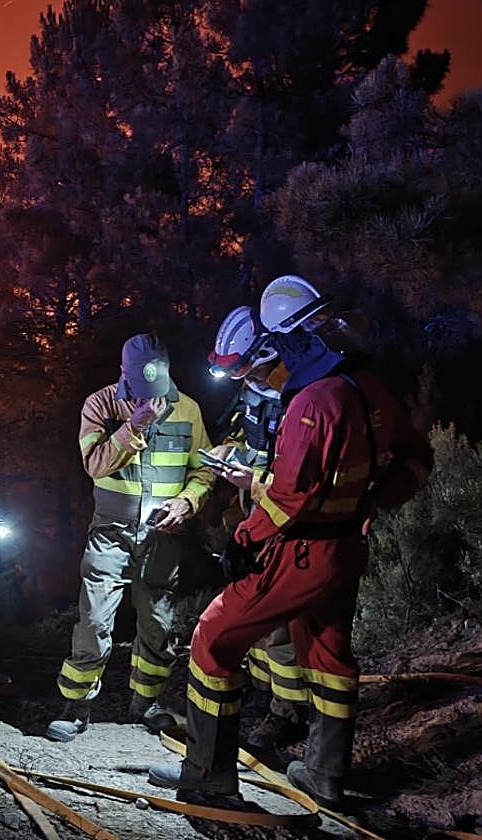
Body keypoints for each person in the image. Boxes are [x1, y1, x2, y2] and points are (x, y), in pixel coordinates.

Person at [148, 275, 434, 808]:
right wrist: (370, 503)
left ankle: (206, 776)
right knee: (329, 656)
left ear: (288, 339)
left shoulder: (311, 404)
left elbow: (288, 500)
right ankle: (325, 775)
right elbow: (416, 457)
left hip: (299, 553)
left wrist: (243, 537)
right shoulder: (367, 387)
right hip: (348, 548)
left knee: (213, 639)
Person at [46, 334, 215, 742]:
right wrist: (133, 425)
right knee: (95, 618)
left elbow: (204, 471)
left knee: (158, 621)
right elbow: (94, 463)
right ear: (124, 373)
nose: (152, 401)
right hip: (110, 532)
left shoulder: (188, 409)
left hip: (163, 536)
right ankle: (77, 705)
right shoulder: (100, 405)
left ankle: (146, 703)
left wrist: (186, 504)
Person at [206, 305, 309, 754]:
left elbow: (302, 481)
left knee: (281, 621)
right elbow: (248, 440)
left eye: (243, 367)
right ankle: (269, 698)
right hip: (257, 515)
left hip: (287, 521)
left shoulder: (299, 396)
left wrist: (256, 482)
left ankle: (289, 714)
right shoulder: (255, 391)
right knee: (262, 619)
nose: (239, 378)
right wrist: (230, 455)